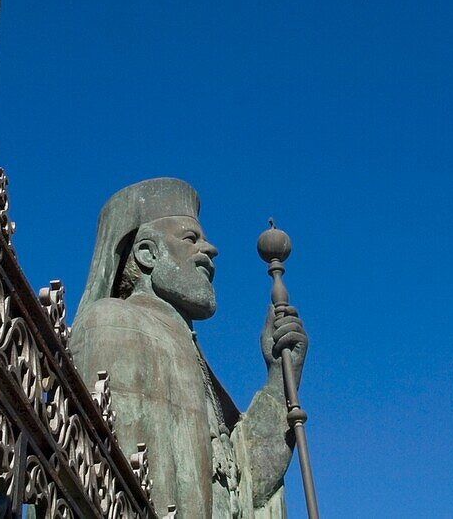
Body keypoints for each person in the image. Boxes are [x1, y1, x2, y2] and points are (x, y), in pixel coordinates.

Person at [69, 179, 308, 518]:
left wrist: (280, 378)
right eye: (191, 238)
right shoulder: (111, 323)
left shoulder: (189, 352)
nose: (210, 249)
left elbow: (242, 485)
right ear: (147, 254)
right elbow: (107, 484)